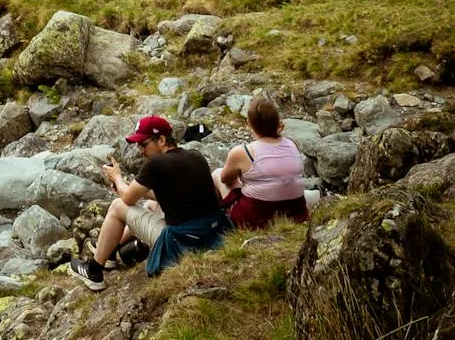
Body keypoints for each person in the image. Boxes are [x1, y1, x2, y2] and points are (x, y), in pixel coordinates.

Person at [71, 114, 232, 287]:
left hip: (183, 242)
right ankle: (111, 251)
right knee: (151, 204)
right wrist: (126, 185)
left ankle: (94, 271)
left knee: (118, 206)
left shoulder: (156, 163)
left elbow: (127, 197)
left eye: (143, 144)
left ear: (162, 140)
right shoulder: (195, 155)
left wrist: (117, 178)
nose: (140, 150)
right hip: (213, 232)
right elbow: (173, 195)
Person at [215, 92, 308, 227]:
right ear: (278, 122)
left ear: (249, 123)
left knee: (218, 174)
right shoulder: (293, 143)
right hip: (295, 214)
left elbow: (226, 180)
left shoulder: (242, 152)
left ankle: (216, 222)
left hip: (256, 219)